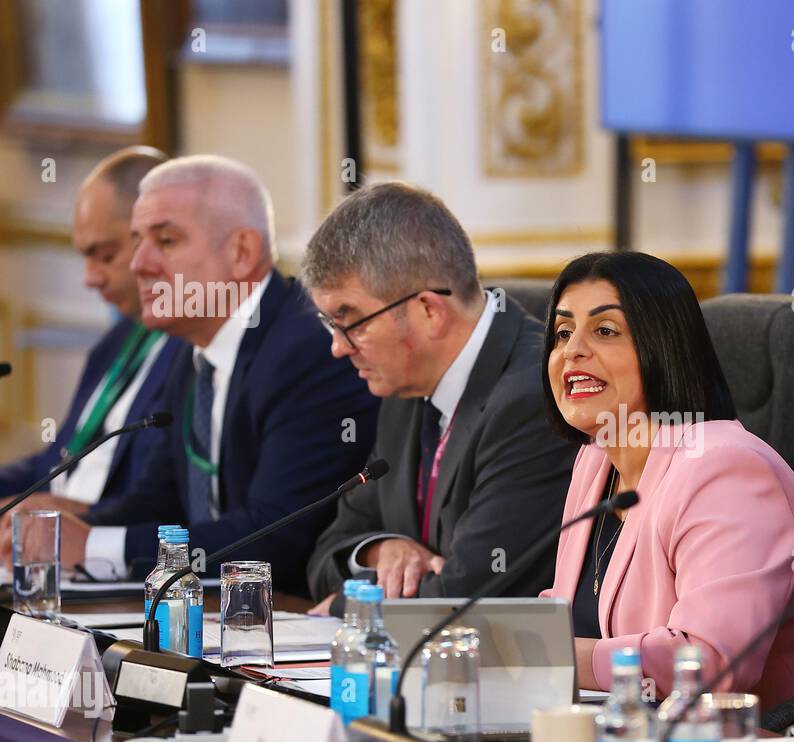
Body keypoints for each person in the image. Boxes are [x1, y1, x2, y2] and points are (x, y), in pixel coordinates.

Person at [17, 155, 380, 595]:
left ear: (241, 253)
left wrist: (96, 543)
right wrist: (56, 530)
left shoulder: (307, 348)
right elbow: (159, 501)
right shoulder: (196, 350)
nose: (139, 264)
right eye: (136, 241)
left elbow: (275, 536)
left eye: (165, 241)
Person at [538, 251, 794, 705]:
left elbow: (709, 662)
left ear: (661, 346)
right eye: (563, 332)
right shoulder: (595, 461)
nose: (572, 351)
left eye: (605, 330)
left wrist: (557, 657)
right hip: (637, 740)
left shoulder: (725, 469)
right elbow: (567, 617)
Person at [303, 182, 576, 603]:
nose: (338, 347)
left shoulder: (533, 397)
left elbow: (466, 595)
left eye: (351, 321)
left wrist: (342, 608)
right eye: (330, 324)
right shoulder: (403, 388)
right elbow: (326, 555)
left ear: (429, 310)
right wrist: (378, 551)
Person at [0, 146, 184, 519]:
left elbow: (164, 504)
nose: (90, 278)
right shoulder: (115, 342)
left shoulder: (194, 352)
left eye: (104, 255)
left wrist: (71, 521)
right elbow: (59, 465)